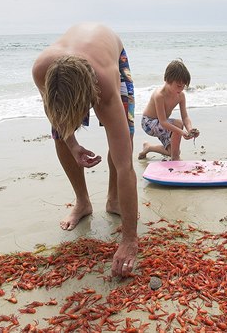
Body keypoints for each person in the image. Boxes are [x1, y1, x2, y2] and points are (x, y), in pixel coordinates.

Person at [32, 23, 137, 277]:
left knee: (123, 141)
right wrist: (73, 144)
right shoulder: (41, 71)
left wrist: (129, 241)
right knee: (59, 135)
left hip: (111, 54)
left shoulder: (106, 86)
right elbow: (57, 117)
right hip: (69, 62)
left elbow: (126, 167)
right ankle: (83, 201)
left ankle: (113, 199)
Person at [138, 59, 199, 161]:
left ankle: (149, 147)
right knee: (178, 124)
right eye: (179, 86)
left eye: (183, 86)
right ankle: (175, 159)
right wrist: (181, 132)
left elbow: (185, 116)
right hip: (148, 123)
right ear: (167, 80)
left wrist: (190, 130)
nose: (181, 89)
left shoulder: (180, 95)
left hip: (162, 124)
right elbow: (163, 122)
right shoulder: (159, 95)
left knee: (173, 150)